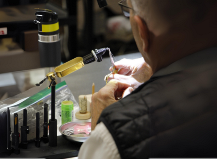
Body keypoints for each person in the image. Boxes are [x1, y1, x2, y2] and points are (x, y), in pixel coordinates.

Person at [79, 0, 217, 158]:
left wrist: (103, 121)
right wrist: (151, 66)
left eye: (127, 11)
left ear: (142, 30)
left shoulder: (115, 138)